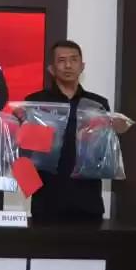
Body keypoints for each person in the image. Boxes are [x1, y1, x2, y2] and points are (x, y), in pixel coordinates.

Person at [25, 40, 118, 223]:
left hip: (88, 203)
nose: (68, 65)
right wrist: (32, 189)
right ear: (51, 69)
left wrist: (114, 134)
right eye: (61, 60)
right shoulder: (35, 102)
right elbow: (25, 157)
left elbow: (103, 155)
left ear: (82, 66)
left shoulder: (98, 104)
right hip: (47, 204)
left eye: (74, 60)